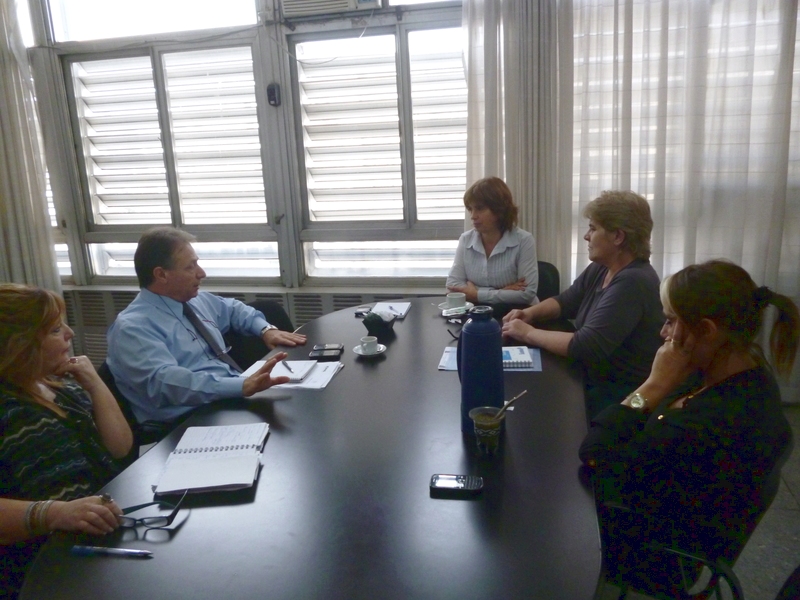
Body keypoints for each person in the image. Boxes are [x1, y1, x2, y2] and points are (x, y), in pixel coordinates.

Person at [578, 260, 797, 593]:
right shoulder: (738, 373)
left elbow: (595, 455)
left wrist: (652, 386)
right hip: (668, 512)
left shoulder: (711, 422)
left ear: (706, 330)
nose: (663, 333)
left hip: (652, 553)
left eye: (670, 321)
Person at [0, 284, 132, 598]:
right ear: (19, 345)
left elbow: (120, 447)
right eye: (56, 330)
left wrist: (95, 384)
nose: (70, 334)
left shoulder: (59, 387)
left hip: (99, 532)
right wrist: (55, 513)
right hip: (41, 562)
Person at [107, 227, 307, 425]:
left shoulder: (194, 300)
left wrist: (266, 330)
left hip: (227, 399)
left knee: (301, 411)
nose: (201, 273)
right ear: (161, 275)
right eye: (190, 267)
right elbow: (167, 383)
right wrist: (241, 385)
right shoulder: (132, 328)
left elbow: (233, 309)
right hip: (187, 420)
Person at [502, 190, 663, 417]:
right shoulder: (603, 267)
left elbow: (587, 345)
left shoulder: (634, 281)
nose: (587, 236)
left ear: (618, 236)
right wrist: (530, 314)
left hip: (618, 394)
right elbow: (566, 301)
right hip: (591, 377)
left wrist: (527, 333)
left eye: (593, 229)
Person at [446, 177, 538, 313]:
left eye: (479, 209)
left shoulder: (524, 240)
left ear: (499, 210)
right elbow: (453, 286)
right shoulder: (466, 239)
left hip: (518, 314)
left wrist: (476, 294)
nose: (473, 216)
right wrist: (500, 291)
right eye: (470, 209)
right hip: (477, 313)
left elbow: (527, 293)